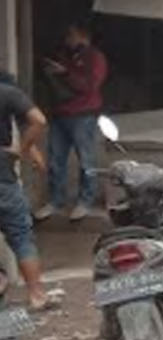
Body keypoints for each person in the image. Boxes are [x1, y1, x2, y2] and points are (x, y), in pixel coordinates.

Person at [36, 21, 108, 222]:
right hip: (60, 113)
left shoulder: (95, 57)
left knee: (86, 160)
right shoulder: (65, 56)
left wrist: (65, 73)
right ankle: (56, 201)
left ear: (83, 36)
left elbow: (89, 85)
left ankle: (85, 201)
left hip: (83, 114)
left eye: (72, 35)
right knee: (55, 160)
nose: (68, 39)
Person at [0, 72, 56, 309]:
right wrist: (23, 151)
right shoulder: (7, 92)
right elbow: (39, 121)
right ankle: (36, 295)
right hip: (3, 178)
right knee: (21, 236)